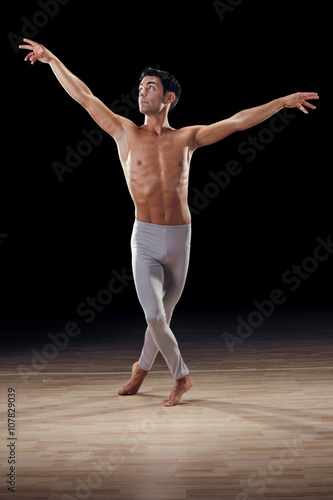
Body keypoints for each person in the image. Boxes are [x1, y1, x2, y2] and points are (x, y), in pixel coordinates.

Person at [19, 38, 318, 406]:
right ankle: (182, 376)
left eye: (150, 87)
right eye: (141, 86)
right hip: (144, 239)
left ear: (169, 98)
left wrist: (282, 103)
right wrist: (51, 60)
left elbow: (238, 122)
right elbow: (85, 97)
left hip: (180, 240)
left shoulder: (187, 139)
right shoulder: (125, 132)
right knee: (154, 315)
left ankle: (140, 370)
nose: (141, 92)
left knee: (163, 318)